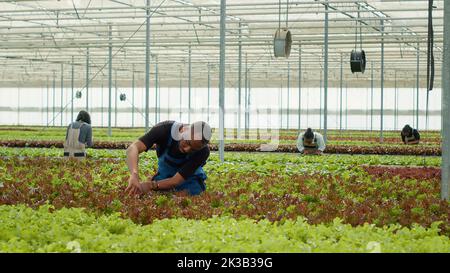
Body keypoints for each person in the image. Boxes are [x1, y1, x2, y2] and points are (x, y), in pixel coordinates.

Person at [126, 120, 212, 196]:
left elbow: (176, 181)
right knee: (158, 192)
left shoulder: (203, 151)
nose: (187, 149)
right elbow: (133, 148)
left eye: (193, 150)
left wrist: (151, 185)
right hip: (165, 176)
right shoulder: (164, 129)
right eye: (187, 142)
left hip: (188, 179)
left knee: (190, 191)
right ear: (185, 129)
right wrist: (134, 174)